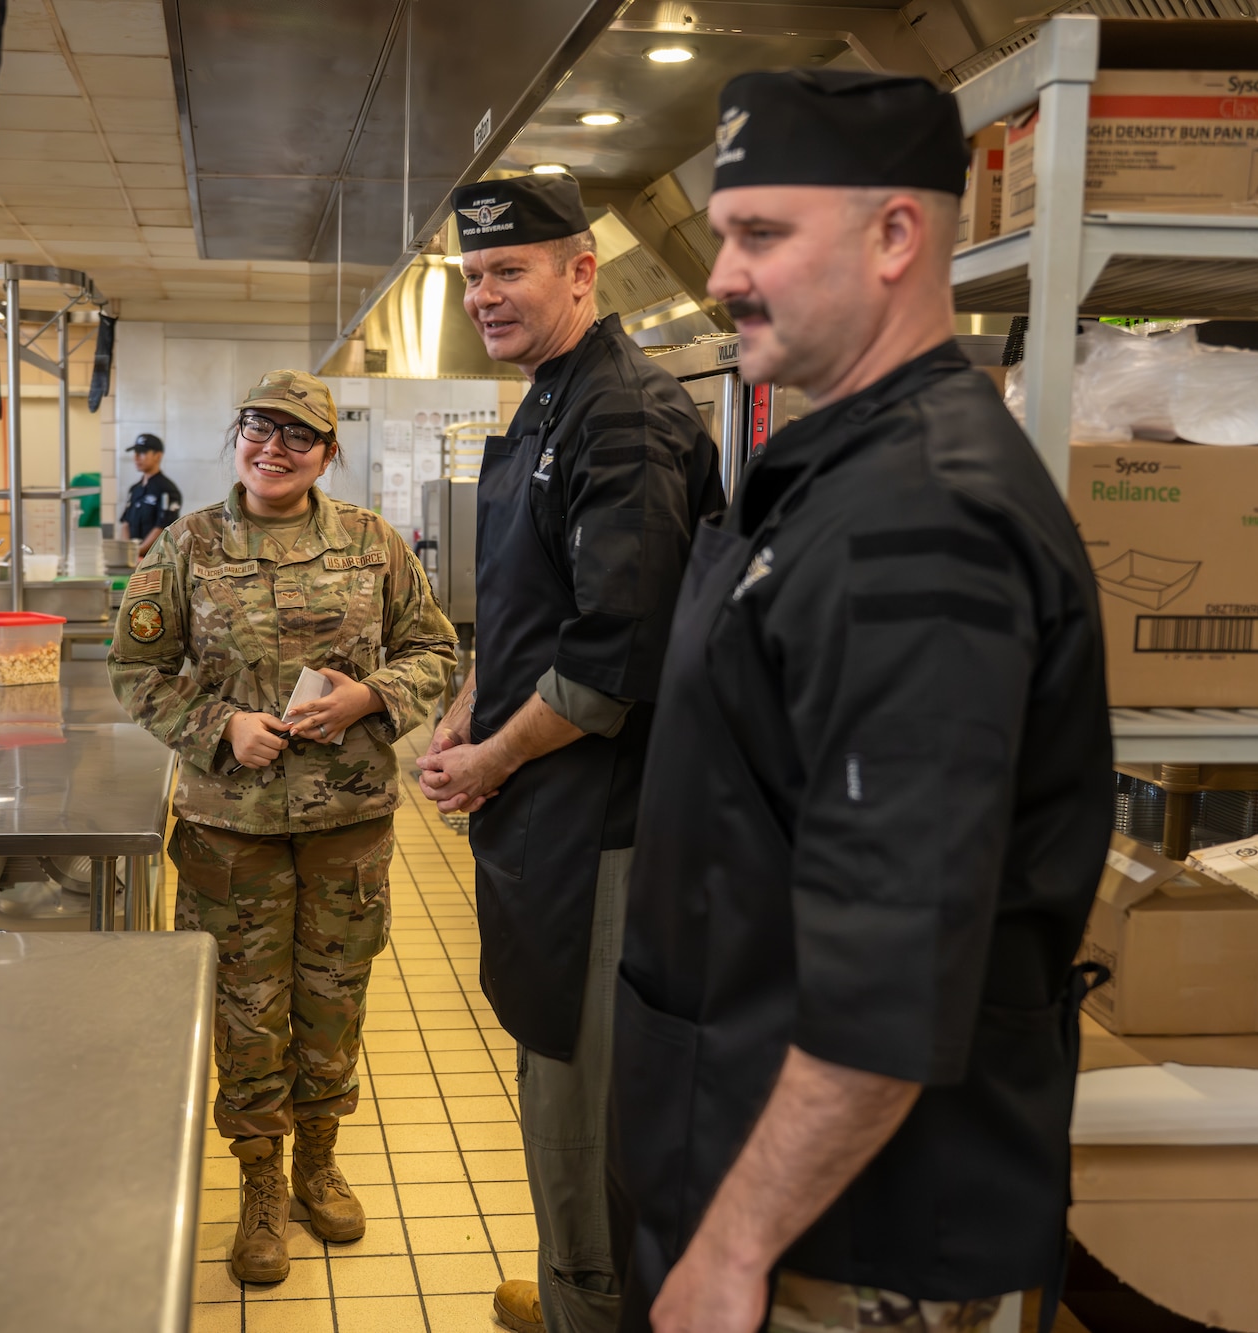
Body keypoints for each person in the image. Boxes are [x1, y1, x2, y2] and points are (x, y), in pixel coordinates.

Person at [608, 70, 1113, 1333]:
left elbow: (891, 976)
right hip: (753, 1167)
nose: (722, 274)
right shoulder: (838, 466)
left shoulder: (922, 520)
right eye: (723, 234)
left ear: (896, 235)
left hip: (854, 1252)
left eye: (760, 234)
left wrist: (730, 1253)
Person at [414, 172, 722, 1333]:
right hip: (547, 816)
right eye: (471, 277)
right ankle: (568, 1284)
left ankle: (592, 1305)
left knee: (584, 1100)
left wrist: (489, 758)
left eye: (508, 271)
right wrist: (467, 698)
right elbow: (537, 597)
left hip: (607, 823)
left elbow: (609, 657)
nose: (484, 295)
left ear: (579, 272)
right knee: (550, 1067)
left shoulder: (625, 414)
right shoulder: (547, 397)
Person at [109, 370, 456, 1286]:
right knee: (245, 1006)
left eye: (297, 436)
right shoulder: (186, 547)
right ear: (237, 437)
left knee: (334, 996)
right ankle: (261, 1184)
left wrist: (372, 697)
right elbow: (137, 668)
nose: (274, 448)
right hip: (232, 829)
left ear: (327, 454)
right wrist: (218, 725)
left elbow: (435, 648)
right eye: (258, 429)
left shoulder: (375, 546)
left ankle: (317, 1160)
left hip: (348, 824)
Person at [120, 432, 182, 556]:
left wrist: (139, 551)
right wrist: (128, 551)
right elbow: (125, 523)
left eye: (142, 452)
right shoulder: (134, 489)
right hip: (133, 559)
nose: (136, 457)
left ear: (157, 456)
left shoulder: (167, 489)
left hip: (157, 558)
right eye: (135, 452)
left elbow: (163, 527)